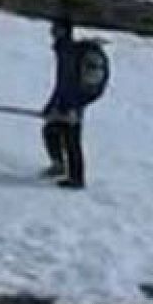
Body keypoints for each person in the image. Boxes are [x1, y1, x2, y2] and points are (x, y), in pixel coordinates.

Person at [42, 17, 107, 189]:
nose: (52, 32)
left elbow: (73, 83)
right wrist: (52, 105)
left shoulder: (71, 52)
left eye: (55, 29)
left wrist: (72, 107)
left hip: (73, 104)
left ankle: (76, 178)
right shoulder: (65, 50)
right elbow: (62, 83)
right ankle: (60, 166)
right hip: (66, 102)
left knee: (71, 139)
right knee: (51, 131)